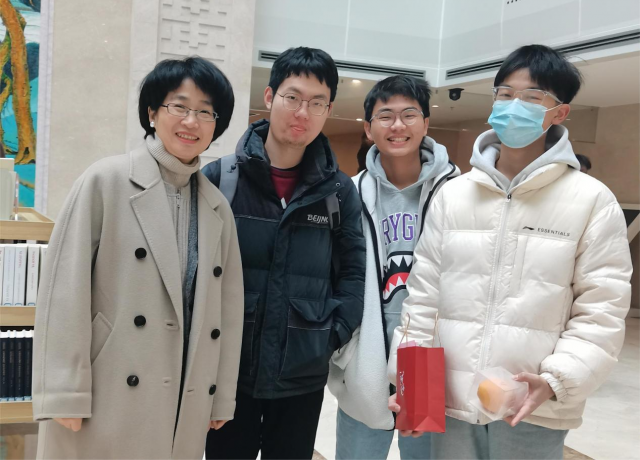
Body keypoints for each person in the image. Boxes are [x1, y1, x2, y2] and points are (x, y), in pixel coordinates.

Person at [387, 45, 632, 459]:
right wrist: (414, 390)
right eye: (505, 94)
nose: (514, 105)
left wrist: (556, 380)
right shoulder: (453, 195)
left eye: (533, 97)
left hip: (531, 406)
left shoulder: (591, 200)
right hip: (452, 400)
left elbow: (602, 309)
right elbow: (424, 300)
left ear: (559, 112)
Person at [32, 57, 244, 459]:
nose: (191, 121)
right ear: (152, 112)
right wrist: (63, 390)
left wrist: (220, 395)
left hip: (182, 395)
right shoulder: (105, 181)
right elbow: (63, 288)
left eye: (205, 112)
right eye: (179, 106)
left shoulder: (217, 207)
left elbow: (227, 314)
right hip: (106, 388)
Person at [203, 47, 365, 460]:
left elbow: (353, 272)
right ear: (270, 96)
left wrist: (329, 336)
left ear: (328, 110)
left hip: (301, 376)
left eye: (317, 103)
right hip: (229, 373)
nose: (302, 113)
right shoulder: (221, 178)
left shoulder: (338, 191)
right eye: (293, 97)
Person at [328, 75, 459, 459]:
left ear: (426, 123)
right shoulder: (347, 194)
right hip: (365, 352)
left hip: (429, 356)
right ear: (368, 128)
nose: (398, 125)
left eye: (409, 115)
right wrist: (343, 348)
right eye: (385, 116)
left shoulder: (457, 194)